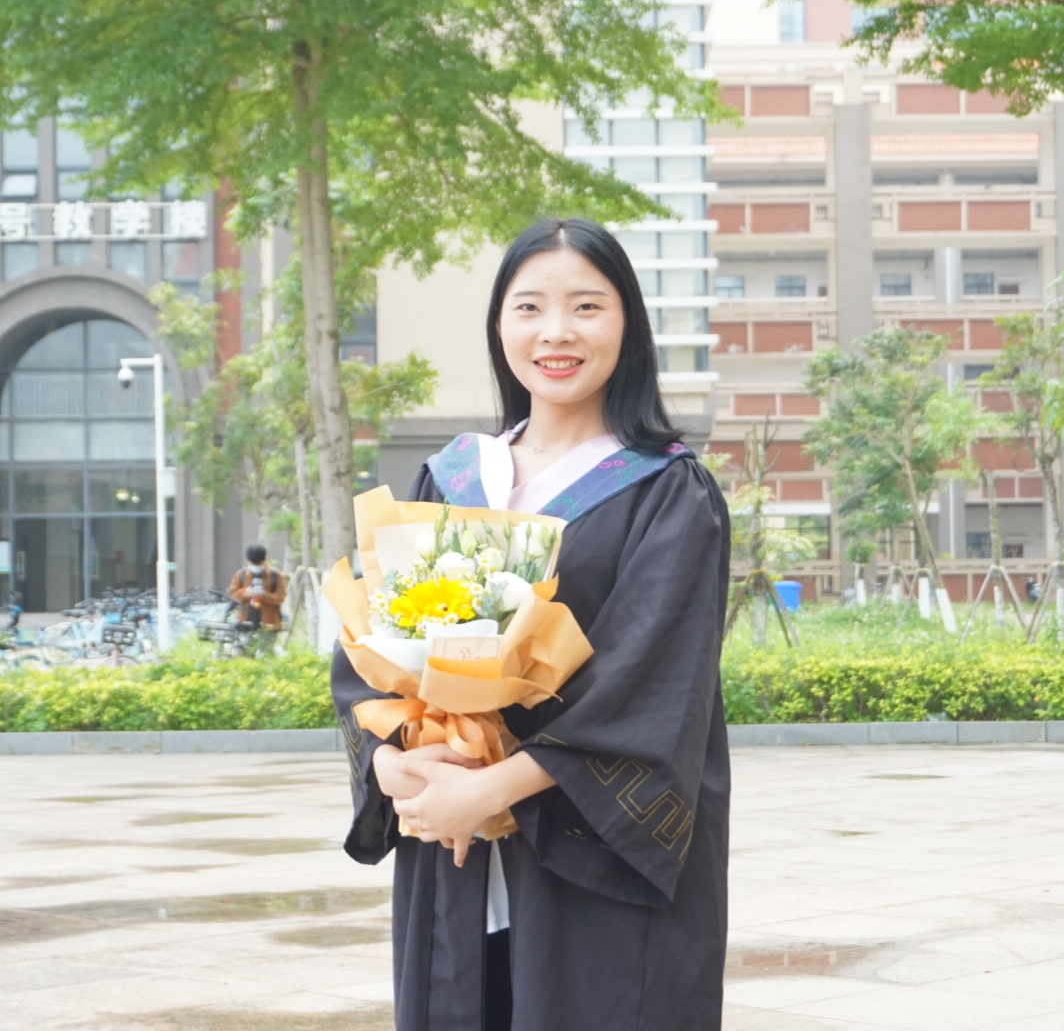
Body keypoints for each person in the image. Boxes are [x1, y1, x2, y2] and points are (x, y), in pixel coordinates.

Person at [331, 218, 731, 1031]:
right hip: (452, 851)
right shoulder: (453, 478)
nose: (556, 332)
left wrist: (490, 790)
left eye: (587, 306)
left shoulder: (667, 491)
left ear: (628, 324)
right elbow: (369, 652)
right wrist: (392, 766)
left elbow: (653, 684)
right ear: (499, 325)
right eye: (529, 307)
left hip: (589, 854)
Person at [228, 544, 286, 650]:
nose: (256, 566)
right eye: (253, 563)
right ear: (248, 562)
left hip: (269, 622)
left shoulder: (275, 575)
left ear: (265, 559)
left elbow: (281, 596)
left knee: (266, 652)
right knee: (245, 651)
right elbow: (233, 593)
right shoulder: (241, 574)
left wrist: (264, 595)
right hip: (245, 621)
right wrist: (246, 593)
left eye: (259, 563)